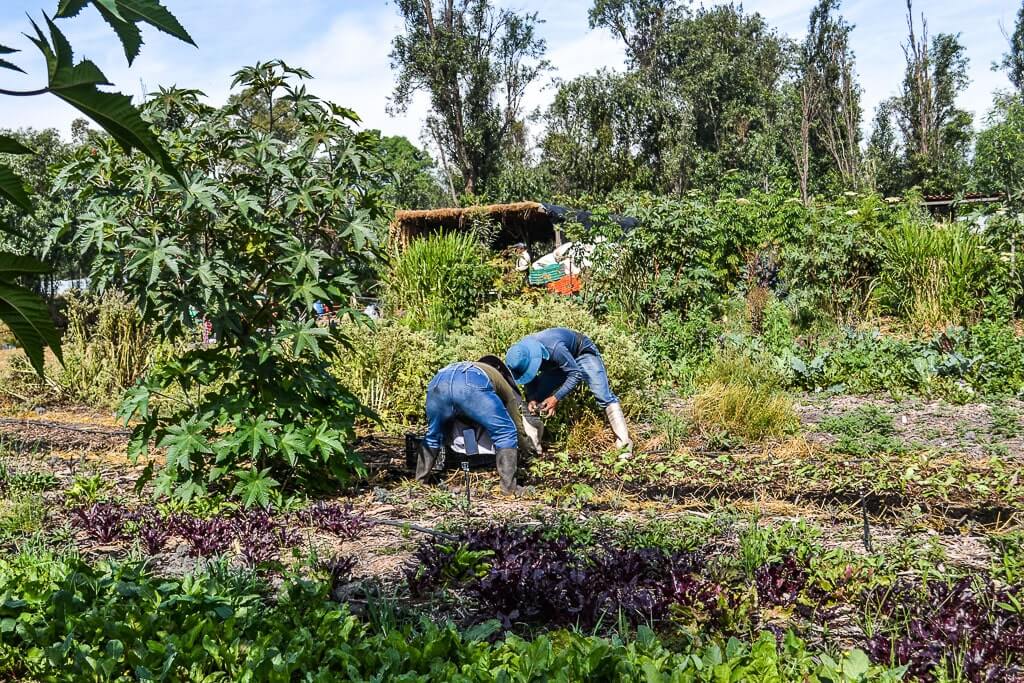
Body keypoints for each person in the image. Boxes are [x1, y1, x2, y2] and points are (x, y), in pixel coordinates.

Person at [417, 356, 541, 495]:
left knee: (434, 435)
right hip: (470, 385)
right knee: (505, 432)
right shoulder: (501, 382)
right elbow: (515, 426)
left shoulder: (469, 367)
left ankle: (420, 482)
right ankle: (509, 488)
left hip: (438, 382)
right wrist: (528, 453)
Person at [505, 327, 632, 453]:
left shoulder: (554, 348)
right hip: (556, 366)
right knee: (532, 400)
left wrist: (555, 398)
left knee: (603, 395)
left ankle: (624, 446)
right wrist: (532, 398)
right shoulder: (520, 355)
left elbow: (575, 374)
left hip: (581, 353)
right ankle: (533, 448)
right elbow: (529, 378)